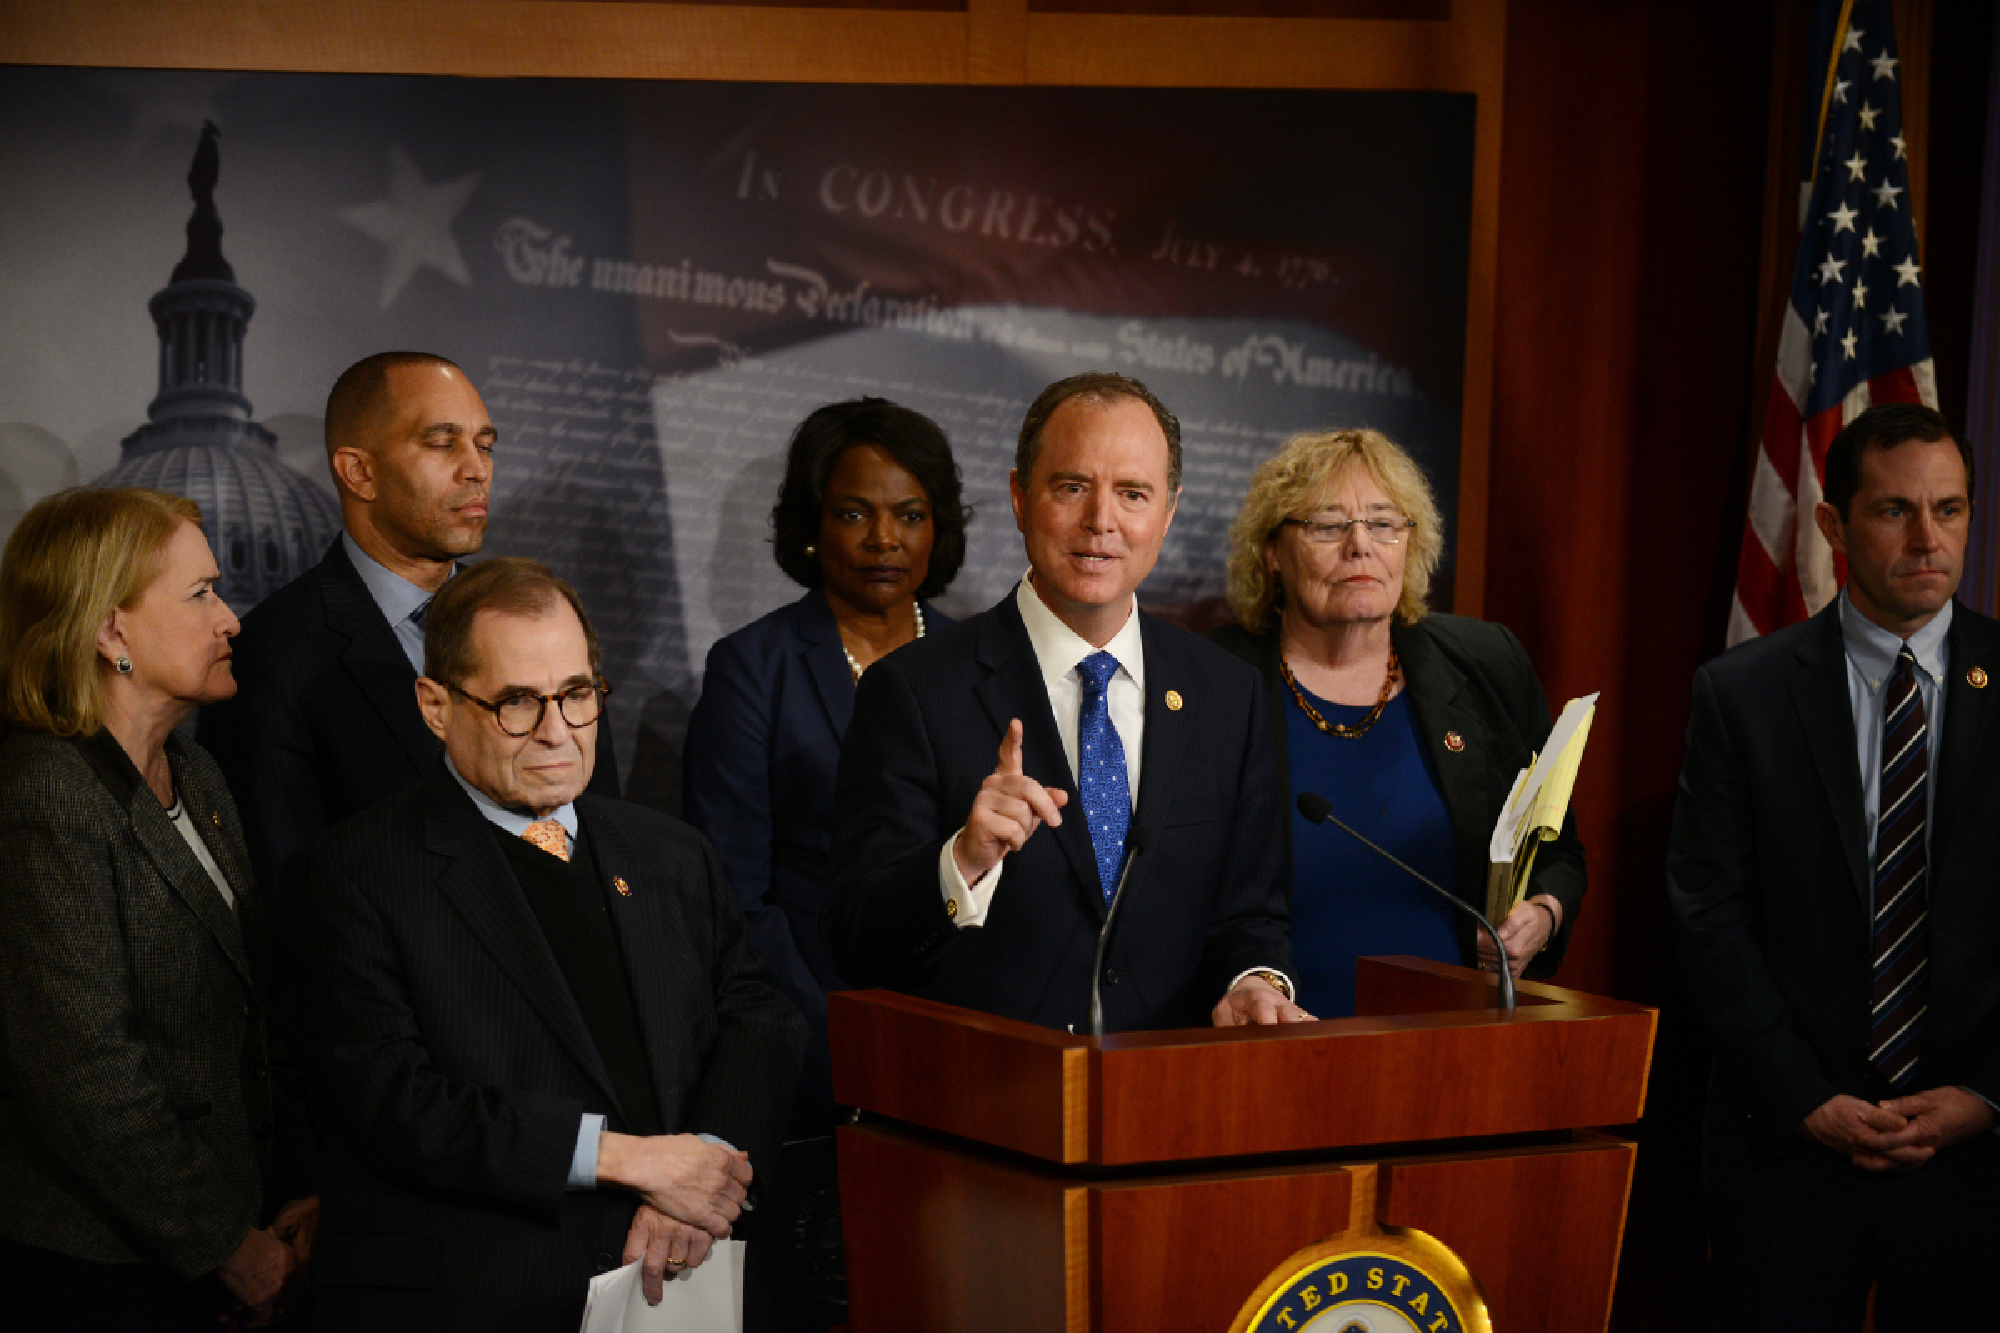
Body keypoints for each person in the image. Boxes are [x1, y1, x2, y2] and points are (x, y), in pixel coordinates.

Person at [282, 557, 804, 1330]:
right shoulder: (352, 875)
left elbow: (759, 1015)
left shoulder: (669, 852)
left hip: (683, 1283)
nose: (557, 731)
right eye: (519, 702)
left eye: (577, 694)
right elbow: (395, 1103)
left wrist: (701, 1174)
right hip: (485, 1297)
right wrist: (627, 1158)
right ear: (435, 704)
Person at [822, 371, 1304, 1032]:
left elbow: (1250, 919)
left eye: (1132, 493)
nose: (1101, 521)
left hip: (1172, 1106)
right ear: (1021, 497)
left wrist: (1254, 981)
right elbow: (855, 941)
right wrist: (961, 860)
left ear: (1167, 512)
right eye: (1072, 487)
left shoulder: (1227, 693)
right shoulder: (914, 690)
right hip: (991, 1106)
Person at [1667, 403, 2000, 1331]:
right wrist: (1807, 1100)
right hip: (1787, 1155)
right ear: (1831, 524)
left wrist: (1983, 1096)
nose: (1928, 538)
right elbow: (1708, 915)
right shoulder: (1743, 695)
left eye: (1951, 509)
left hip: (1975, 1163)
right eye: (1895, 510)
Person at [0, 487, 316, 1330]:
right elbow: (84, 1073)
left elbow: (244, 1019)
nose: (232, 619)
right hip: (96, 1274)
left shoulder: (198, 775)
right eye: (200, 593)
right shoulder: (47, 796)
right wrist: (226, 1242)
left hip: (210, 1248)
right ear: (111, 631)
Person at [197, 350, 615, 899]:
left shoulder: (543, 624)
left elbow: (608, 832)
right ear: (359, 472)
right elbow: (288, 895)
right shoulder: (275, 653)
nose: (477, 469)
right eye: (443, 444)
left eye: (485, 445)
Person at [1210, 428, 1584, 1015]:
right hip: (1275, 1043)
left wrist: (1543, 913)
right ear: (1273, 552)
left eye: (1384, 523)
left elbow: (1559, 852)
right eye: (1328, 525)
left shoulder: (1487, 665)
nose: (1360, 546)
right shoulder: (1213, 683)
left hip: (1454, 1045)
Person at [683, 397, 966, 1132]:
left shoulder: (981, 666)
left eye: (909, 515)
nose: (884, 538)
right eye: (853, 513)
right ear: (812, 524)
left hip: (972, 1041)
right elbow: (736, 898)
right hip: (812, 1048)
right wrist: (834, 1038)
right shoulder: (753, 668)